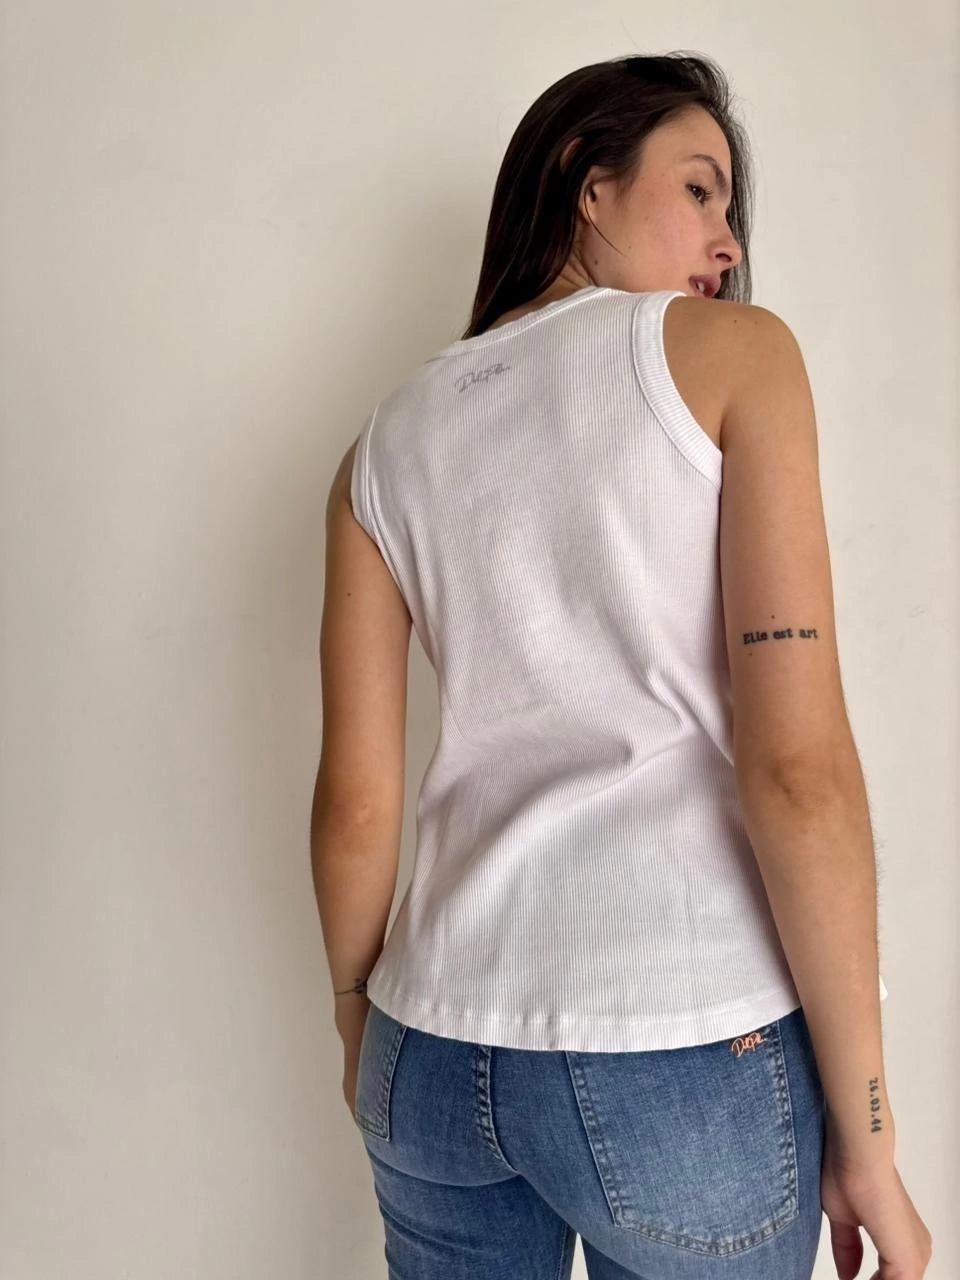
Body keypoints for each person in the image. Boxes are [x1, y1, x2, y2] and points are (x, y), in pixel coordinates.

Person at [323, 52, 932, 1279]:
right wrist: (868, 1129)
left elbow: (358, 801)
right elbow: (799, 770)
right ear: (585, 181)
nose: (729, 239)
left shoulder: (384, 442)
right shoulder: (738, 355)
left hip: (427, 1045)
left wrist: (356, 1020)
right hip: (680, 1049)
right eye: (700, 188)